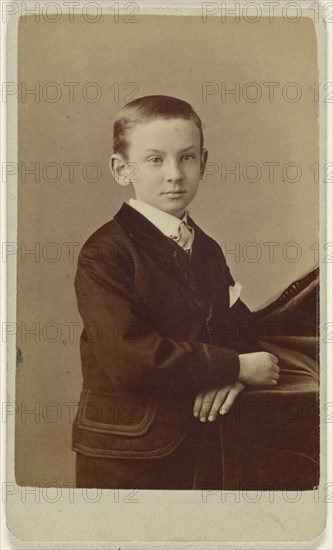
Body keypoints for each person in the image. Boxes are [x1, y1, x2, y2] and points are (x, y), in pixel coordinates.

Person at [73, 95, 280, 489]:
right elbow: (128, 356)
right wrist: (235, 367)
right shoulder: (106, 252)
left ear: (203, 163)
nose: (174, 174)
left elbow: (237, 333)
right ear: (121, 169)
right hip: (126, 454)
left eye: (186, 158)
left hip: (203, 442)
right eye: (155, 160)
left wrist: (232, 376)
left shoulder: (206, 247)